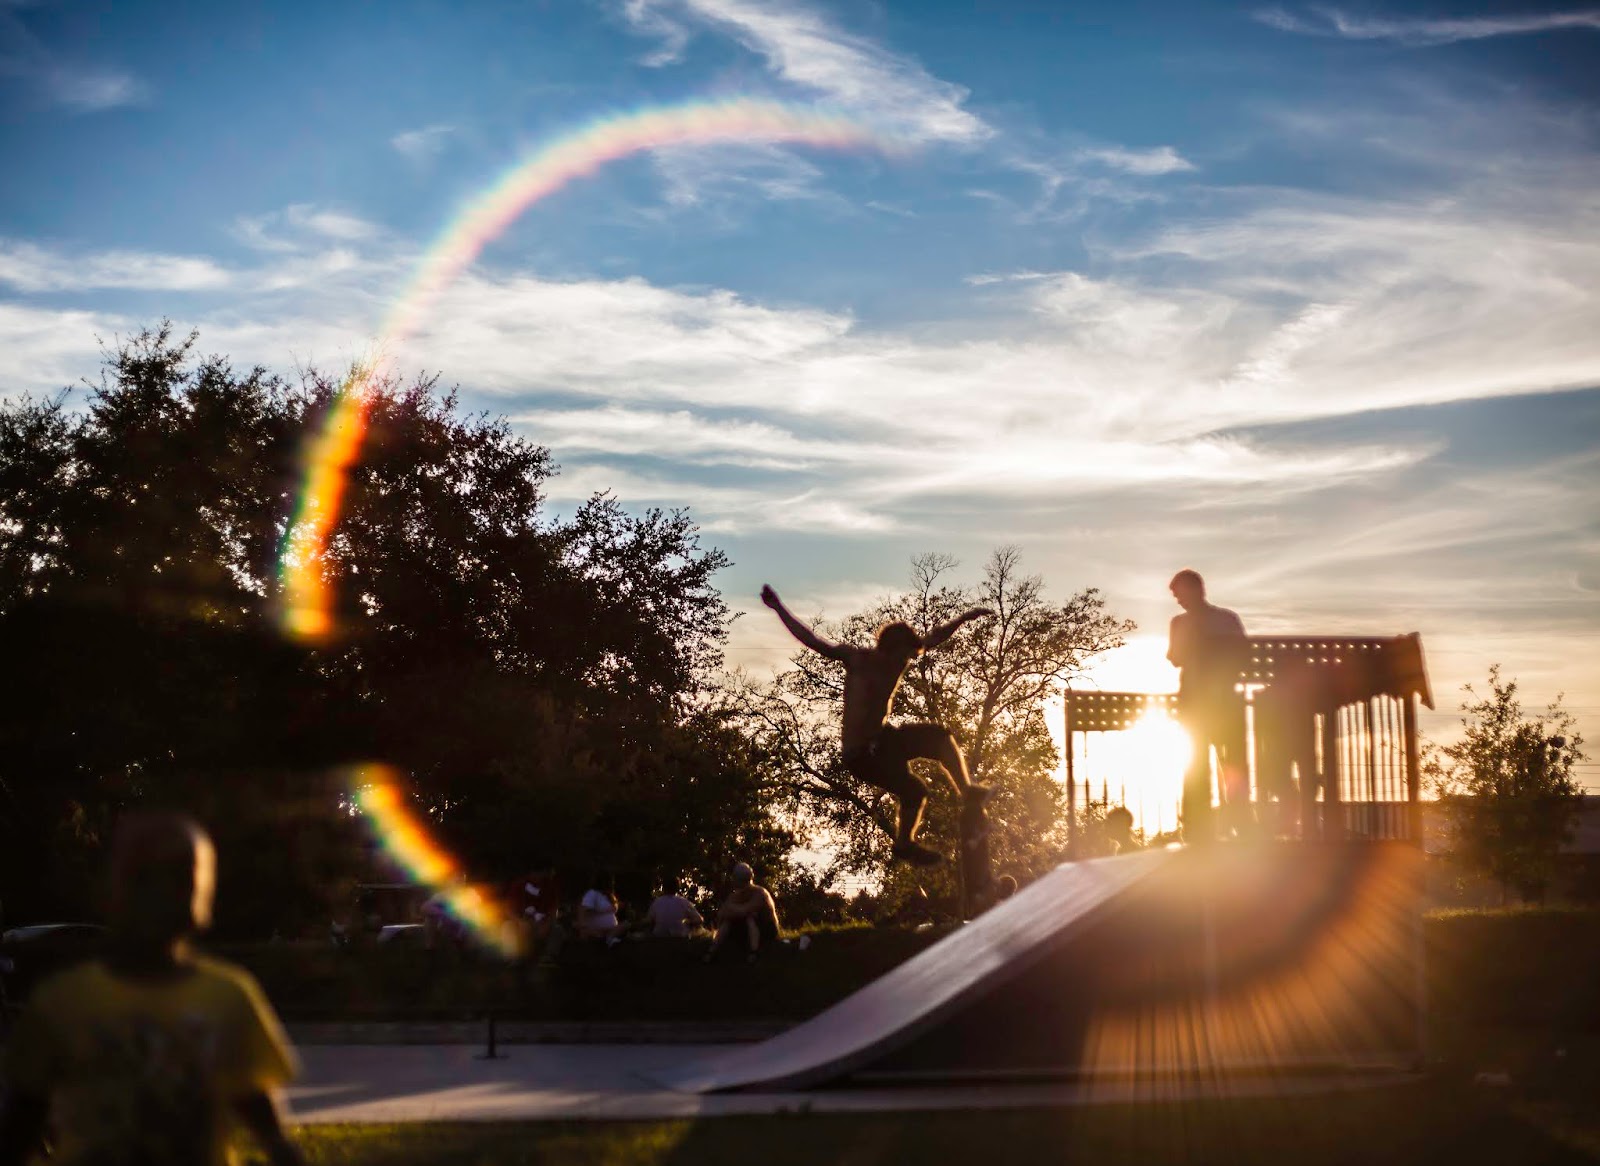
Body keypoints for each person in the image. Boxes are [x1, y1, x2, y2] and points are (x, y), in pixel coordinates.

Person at [0, 812, 302, 1166]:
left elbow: (255, 1102)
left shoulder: (230, 997)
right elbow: (23, 1120)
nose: (161, 894)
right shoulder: (61, 1003)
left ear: (203, 893)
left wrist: (279, 1148)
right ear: (112, 890)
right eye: (143, 878)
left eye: (179, 877)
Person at [761, 584, 995, 866]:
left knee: (939, 737)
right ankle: (905, 844)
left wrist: (963, 619)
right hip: (860, 755)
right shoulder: (856, 659)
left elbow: (933, 637)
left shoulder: (898, 661)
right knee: (915, 790)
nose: (905, 663)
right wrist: (778, 608)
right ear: (891, 648)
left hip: (883, 739)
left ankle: (967, 791)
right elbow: (811, 639)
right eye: (904, 656)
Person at [1166, 569, 1250, 841]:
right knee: (1228, 765)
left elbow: (1175, 658)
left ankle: (1198, 828)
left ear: (1194, 590)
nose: (1178, 601)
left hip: (1199, 706)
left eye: (1179, 594)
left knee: (1200, 766)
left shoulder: (1182, 624)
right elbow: (1244, 657)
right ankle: (1238, 823)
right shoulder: (1227, 620)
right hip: (1221, 705)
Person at [705, 863, 779, 964]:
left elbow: (746, 910)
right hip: (746, 930)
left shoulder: (760, 893)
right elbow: (722, 914)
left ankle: (754, 952)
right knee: (728, 921)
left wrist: (732, 909)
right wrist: (731, 911)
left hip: (766, 929)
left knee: (750, 917)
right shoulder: (736, 895)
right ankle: (711, 951)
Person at [576, 872, 625, 941]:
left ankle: (610, 938)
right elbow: (585, 911)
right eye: (611, 881)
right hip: (597, 929)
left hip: (612, 928)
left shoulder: (609, 896)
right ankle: (609, 939)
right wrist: (604, 910)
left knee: (626, 925)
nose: (612, 883)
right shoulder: (592, 893)